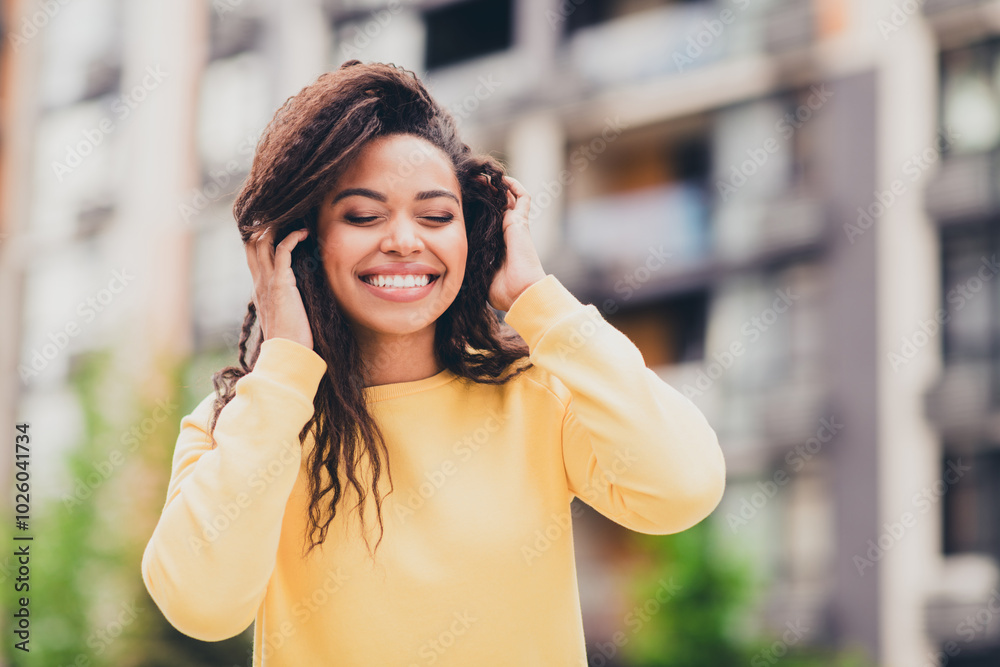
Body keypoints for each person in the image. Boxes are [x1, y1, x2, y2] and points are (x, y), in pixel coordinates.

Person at [140, 60, 726, 667]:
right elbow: (201, 607)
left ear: (471, 235)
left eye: (436, 216)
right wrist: (284, 364)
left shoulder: (533, 395)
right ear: (304, 242)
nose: (403, 240)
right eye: (364, 216)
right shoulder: (246, 422)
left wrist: (538, 301)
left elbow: (683, 487)